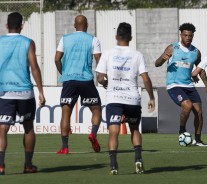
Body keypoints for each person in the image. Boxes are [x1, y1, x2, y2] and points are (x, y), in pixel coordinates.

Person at [96, 22, 155, 175]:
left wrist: (107, 83)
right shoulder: (137, 55)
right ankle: (138, 160)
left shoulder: (108, 53)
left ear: (117, 36)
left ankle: (114, 165)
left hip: (114, 98)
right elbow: (146, 79)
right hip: (132, 100)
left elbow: (100, 77)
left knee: (113, 132)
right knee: (134, 129)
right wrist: (151, 97)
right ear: (131, 37)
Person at [0, 12, 46, 175]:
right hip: (25, 92)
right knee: (28, 127)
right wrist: (40, 91)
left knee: (2, 128)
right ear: (21, 26)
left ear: (7, 25)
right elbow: (34, 67)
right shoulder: (28, 42)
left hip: (4, 92)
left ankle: (0, 165)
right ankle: (28, 165)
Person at [155, 23, 207, 146]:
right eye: (185, 35)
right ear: (181, 35)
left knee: (199, 112)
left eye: (190, 36)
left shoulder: (196, 52)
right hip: (174, 85)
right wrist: (163, 58)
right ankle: (182, 130)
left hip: (189, 86)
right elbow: (156, 63)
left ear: (193, 36)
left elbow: (200, 69)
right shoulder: (172, 48)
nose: (188, 38)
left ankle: (198, 140)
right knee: (187, 106)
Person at [55, 15, 102, 154]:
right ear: (87, 25)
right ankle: (93, 134)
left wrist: (64, 73)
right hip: (86, 80)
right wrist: (102, 77)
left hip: (69, 81)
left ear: (74, 25)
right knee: (96, 110)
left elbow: (57, 59)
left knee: (65, 114)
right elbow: (100, 61)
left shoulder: (65, 39)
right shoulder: (93, 40)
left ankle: (64, 147)